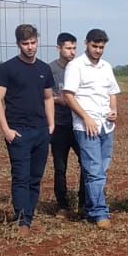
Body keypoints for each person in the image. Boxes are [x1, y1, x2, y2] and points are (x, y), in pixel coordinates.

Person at [0, 23, 56, 233]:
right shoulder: (8, 68)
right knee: (21, 176)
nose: (30, 47)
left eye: (33, 42)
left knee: (36, 177)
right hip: (18, 131)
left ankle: (29, 214)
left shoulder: (44, 69)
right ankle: (22, 220)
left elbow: (48, 98)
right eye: (25, 43)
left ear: (38, 41)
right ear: (18, 44)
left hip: (40, 131)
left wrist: (51, 124)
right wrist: (6, 130)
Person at [61, 28, 119, 228]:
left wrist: (114, 110)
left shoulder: (106, 67)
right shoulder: (75, 66)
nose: (98, 50)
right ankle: (99, 212)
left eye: (102, 47)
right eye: (95, 46)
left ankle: (88, 205)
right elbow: (69, 95)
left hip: (106, 125)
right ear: (86, 43)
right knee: (94, 170)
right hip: (86, 125)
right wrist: (85, 118)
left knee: (101, 168)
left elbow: (112, 92)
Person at [47, 32, 86, 216]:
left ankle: (83, 202)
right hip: (59, 125)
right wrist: (58, 99)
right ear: (59, 48)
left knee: (86, 163)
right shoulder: (50, 70)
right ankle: (62, 204)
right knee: (60, 166)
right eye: (68, 48)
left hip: (78, 125)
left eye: (74, 48)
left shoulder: (79, 67)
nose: (72, 52)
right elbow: (43, 97)